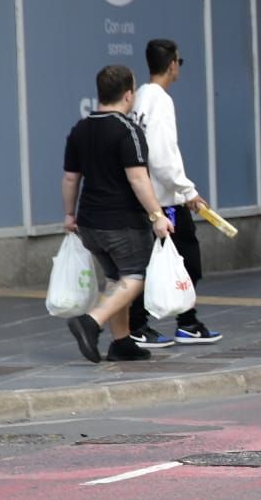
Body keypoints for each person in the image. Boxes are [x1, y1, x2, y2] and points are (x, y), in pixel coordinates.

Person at [61, 65, 175, 364]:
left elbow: (71, 178)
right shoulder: (128, 130)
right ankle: (91, 322)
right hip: (122, 222)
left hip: (89, 223)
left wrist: (69, 214)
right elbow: (139, 179)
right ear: (128, 95)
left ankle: (122, 342)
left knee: (116, 279)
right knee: (137, 276)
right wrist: (157, 215)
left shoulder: (80, 129)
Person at [127, 39, 220, 348]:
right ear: (172, 65)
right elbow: (163, 154)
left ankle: (182, 321)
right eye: (180, 61)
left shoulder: (140, 97)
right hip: (165, 199)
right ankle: (167, 323)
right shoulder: (161, 101)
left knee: (156, 261)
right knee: (188, 260)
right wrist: (188, 191)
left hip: (146, 196)